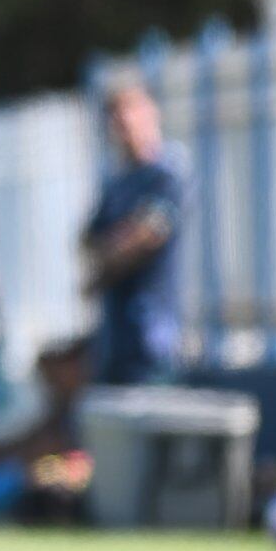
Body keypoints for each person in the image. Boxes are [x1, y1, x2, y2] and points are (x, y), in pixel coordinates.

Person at [83, 82, 187, 386]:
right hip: (114, 337)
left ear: (151, 114)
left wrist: (104, 268)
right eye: (116, 119)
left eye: (130, 114)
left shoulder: (167, 173)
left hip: (151, 336)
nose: (123, 126)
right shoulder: (117, 183)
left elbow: (147, 235)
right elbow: (88, 238)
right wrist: (116, 245)